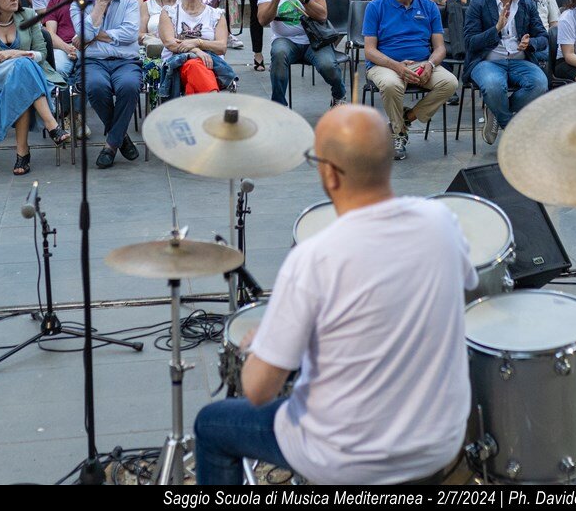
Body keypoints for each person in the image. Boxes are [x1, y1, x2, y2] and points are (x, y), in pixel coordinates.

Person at [194, 103, 475, 484]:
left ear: (329, 173)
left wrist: (261, 346)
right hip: (438, 442)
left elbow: (258, 390)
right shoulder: (441, 222)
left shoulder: (315, 258)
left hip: (346, 457)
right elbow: (454, 288)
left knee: (212, 425)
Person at [361, 0, 457, 159]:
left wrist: (430, 64)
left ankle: (406, 118)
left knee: (450, 83)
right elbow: (369, 51)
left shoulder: (429, 7)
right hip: (385, 64)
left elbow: (440, 48)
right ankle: (398, 133)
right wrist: (396, 66)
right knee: (390, 85)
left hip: (422, 64)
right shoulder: (376, 7)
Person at [0, 0, 68, 174]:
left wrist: (16, 53)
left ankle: (22, 154)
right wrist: (5, 59)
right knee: (22, 67)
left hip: (27, 75)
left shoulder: (28, 15)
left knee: (21, 78)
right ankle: (52, 125)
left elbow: (42, 54)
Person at [461, 0, 548, 145]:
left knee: (540, 84)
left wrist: (530, 42)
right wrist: (496, 29)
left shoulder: (526, 4)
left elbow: (543, 38)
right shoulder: (479, 4)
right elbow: (469, 42)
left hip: (520, 60)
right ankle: (513, 134)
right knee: (493, 86)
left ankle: (496, 108)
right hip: (488, 61)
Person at [70, 0, 142, 170]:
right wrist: (100, 4)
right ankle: (121, 138)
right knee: (95, 86)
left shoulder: (129, 1)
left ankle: (111, 145)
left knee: (129, 86)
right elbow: (82, 36)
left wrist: (94, 35)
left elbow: (130, 34)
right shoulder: (78, 4)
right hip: (92, 62)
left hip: (125, 61)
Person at [258, 0, 346, 108]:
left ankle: (339, 94)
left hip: (313, 39)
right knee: (278, 54)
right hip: (285, 39)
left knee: (329, 66)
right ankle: (278, 106)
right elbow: (262, 20)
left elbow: (322, 15)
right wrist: (276, 0)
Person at [158, 0, 236, 97]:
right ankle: (212, 101)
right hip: (178, 66)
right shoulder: (168, 13)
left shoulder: (216, 14)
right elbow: (170, 43)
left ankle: (199, 108)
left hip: (212, 65)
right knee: (194, 65)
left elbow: (222, 47)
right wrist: (197, 51)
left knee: (193, 83)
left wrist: (196, 42)